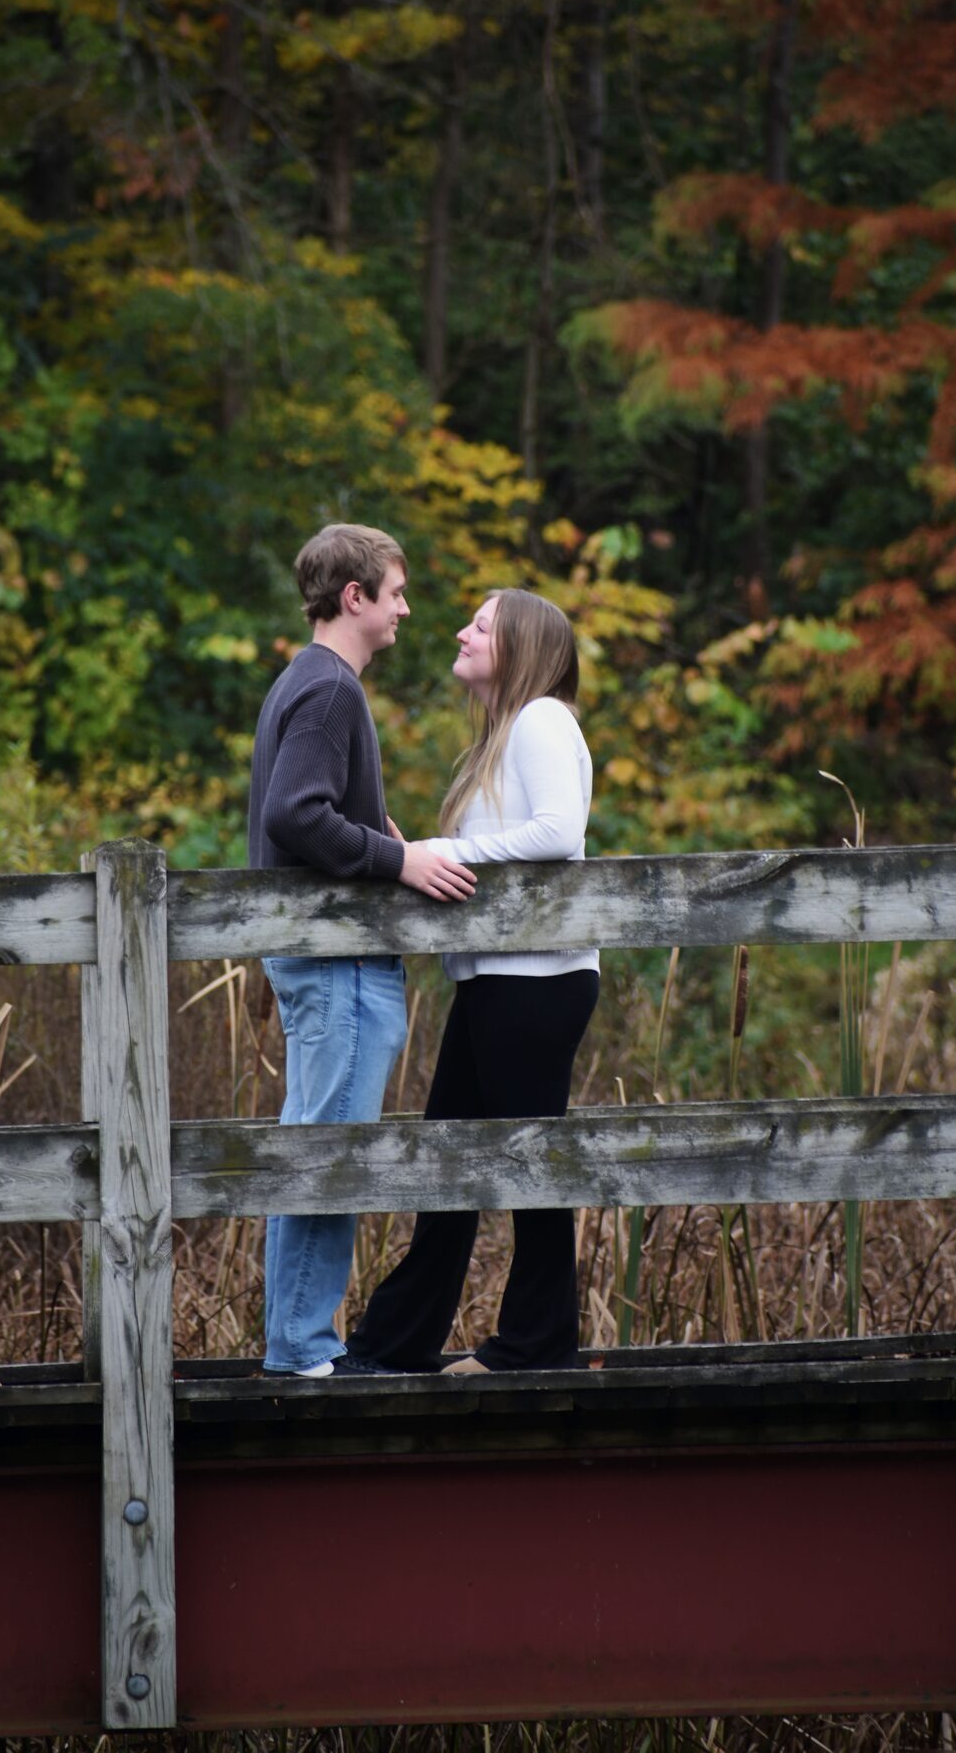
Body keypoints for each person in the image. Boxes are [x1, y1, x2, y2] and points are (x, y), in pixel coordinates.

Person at [346, 588, 600, 1376]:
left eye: (481, 625)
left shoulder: (541, 720)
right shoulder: (506, 734)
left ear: (521, 645)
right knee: (449, 1160)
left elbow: (560, 833)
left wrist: (444, 852)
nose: (460, 631)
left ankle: (535, 1346)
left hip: (535, 982)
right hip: (497, 979)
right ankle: (398, 1343)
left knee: (526, 1162)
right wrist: (417, 849)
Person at [249, 523, 476, 1377]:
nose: (406, 610)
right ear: (356, 598)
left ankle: (297, 1344)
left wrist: (375, 827)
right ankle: (304, 1353)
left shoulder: (306, 683)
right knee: (329, 1155)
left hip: (326, 959)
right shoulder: (332, 689)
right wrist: (401, 860)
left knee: (315, 1146)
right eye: (395, 593)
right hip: (334, 962)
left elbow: (311, 807)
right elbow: (294, 815)